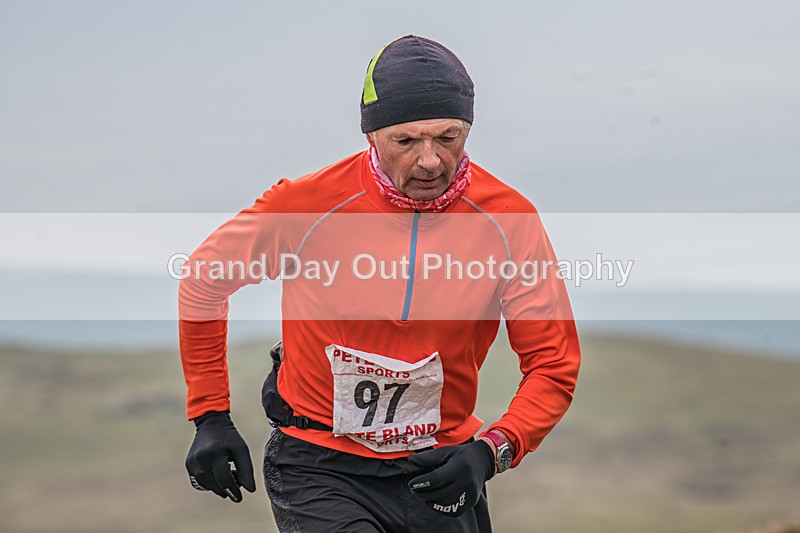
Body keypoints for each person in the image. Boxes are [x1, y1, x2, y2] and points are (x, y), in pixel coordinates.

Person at [179, 35, 580, 532]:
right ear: (371, 135)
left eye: (448, 137)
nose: (430, 160)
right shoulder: (306, 206)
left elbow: (553, 364)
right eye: (406, 142)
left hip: (437, 467)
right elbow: (203, 280)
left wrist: (490, 451)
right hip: (319, 465)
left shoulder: (509, 220)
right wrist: (211, 415)